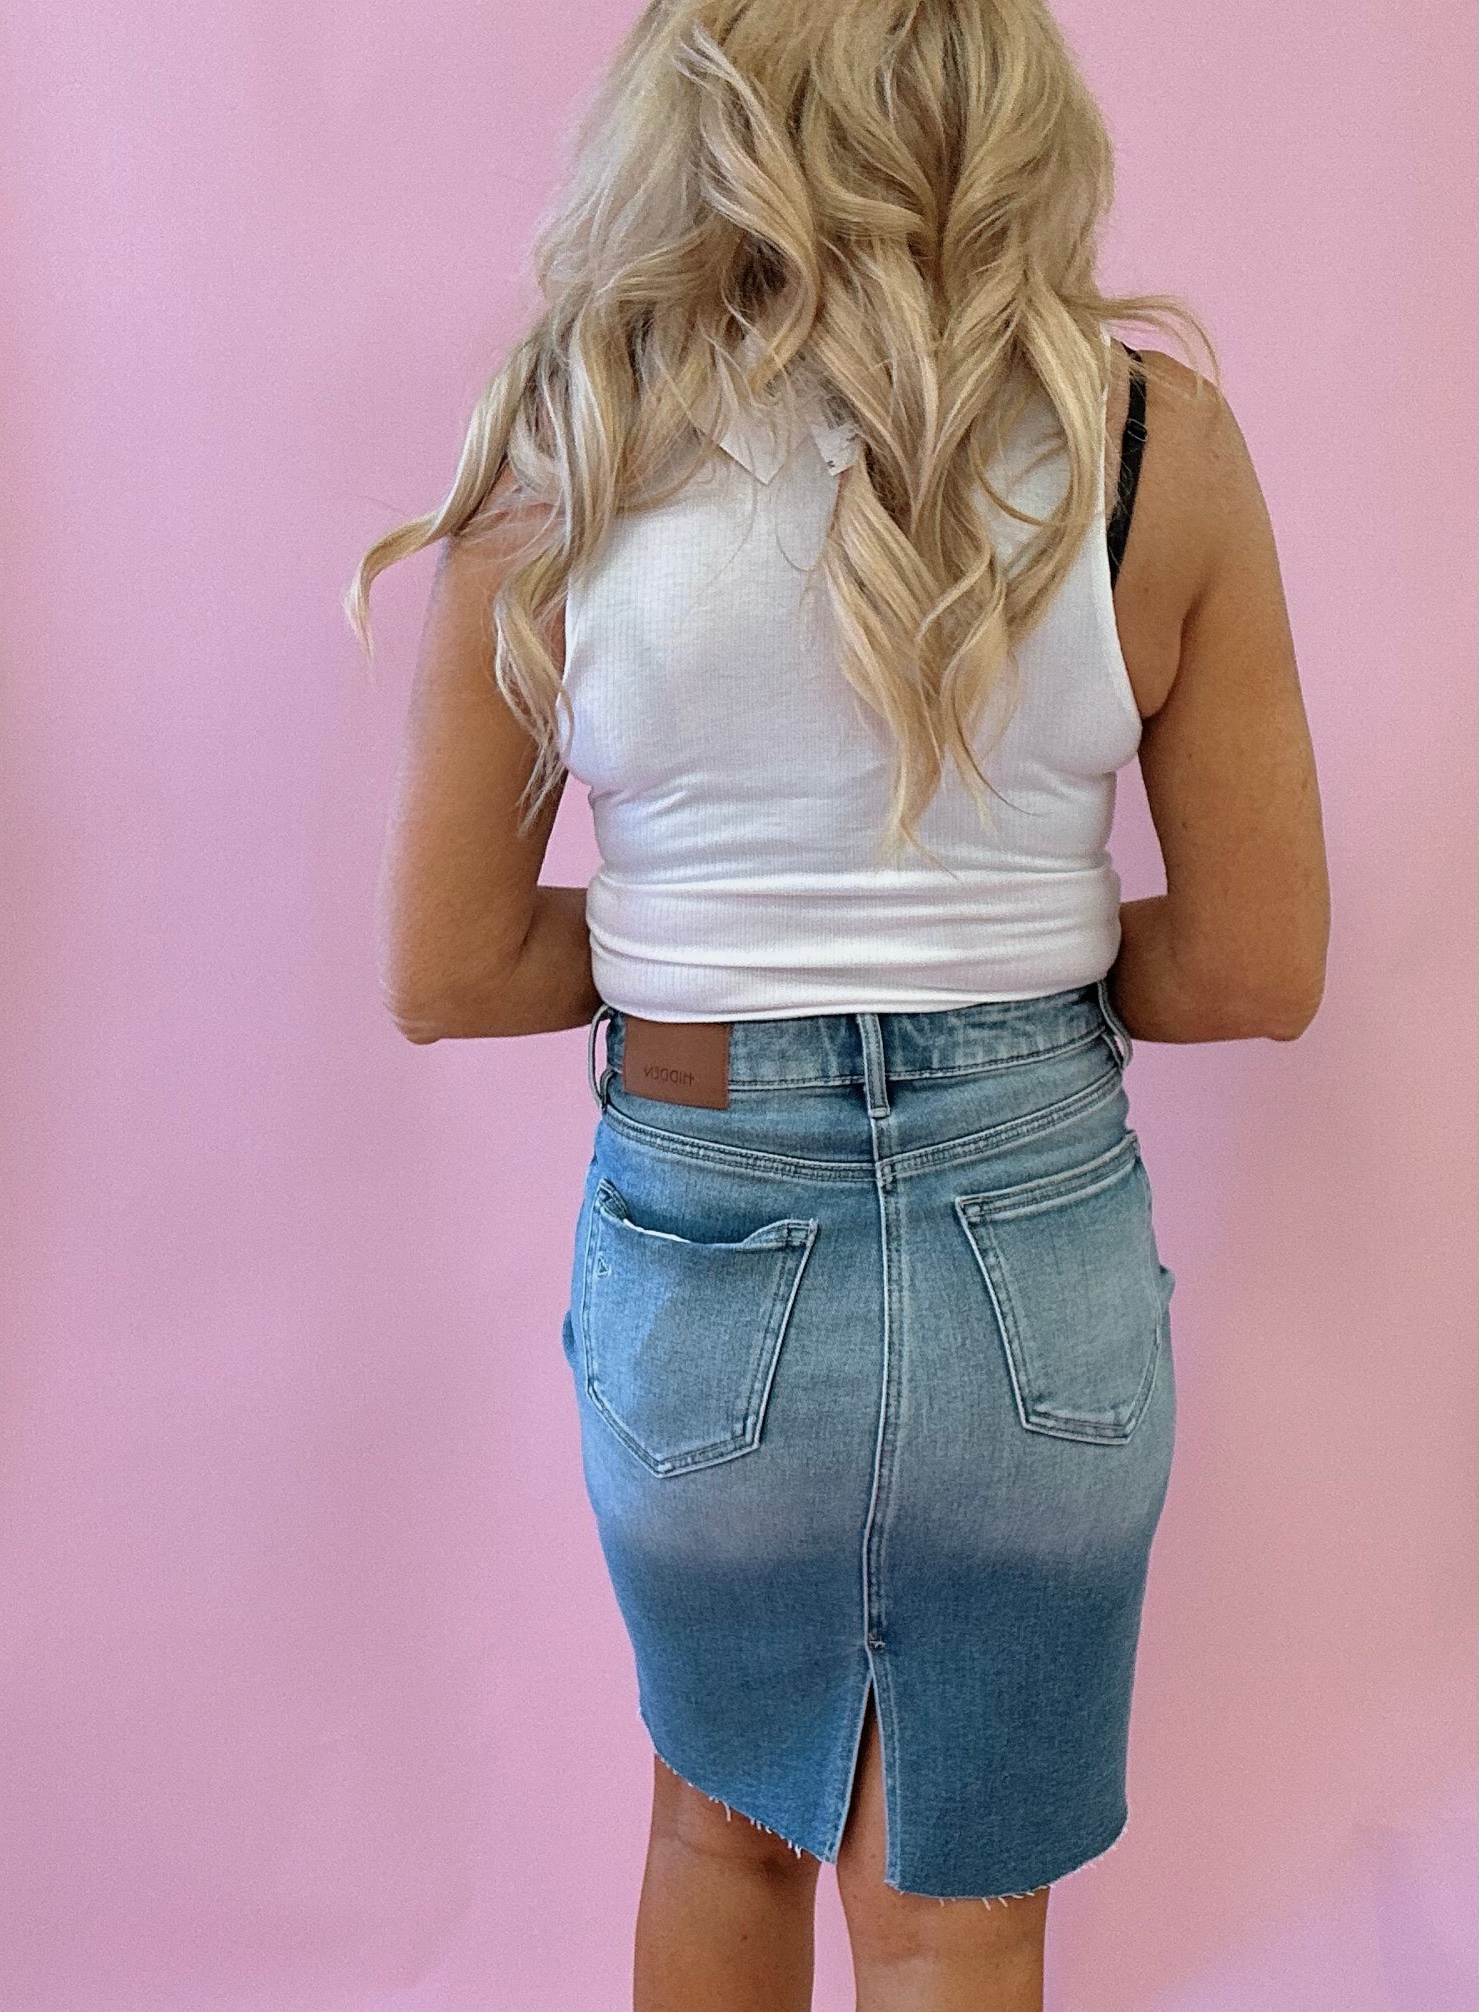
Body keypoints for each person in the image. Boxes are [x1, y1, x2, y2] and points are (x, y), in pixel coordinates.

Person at [345, 2, 1330, 2005]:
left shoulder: (571, 450)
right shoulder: (1155, 450)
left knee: (718, 1827)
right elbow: (1248, 962)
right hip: (1032, 1235)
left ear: (680, 121)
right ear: (1013, 122)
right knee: (957, 1901)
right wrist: (988, 998)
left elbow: (448, 968)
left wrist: (717, 982)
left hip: (703, 1225)